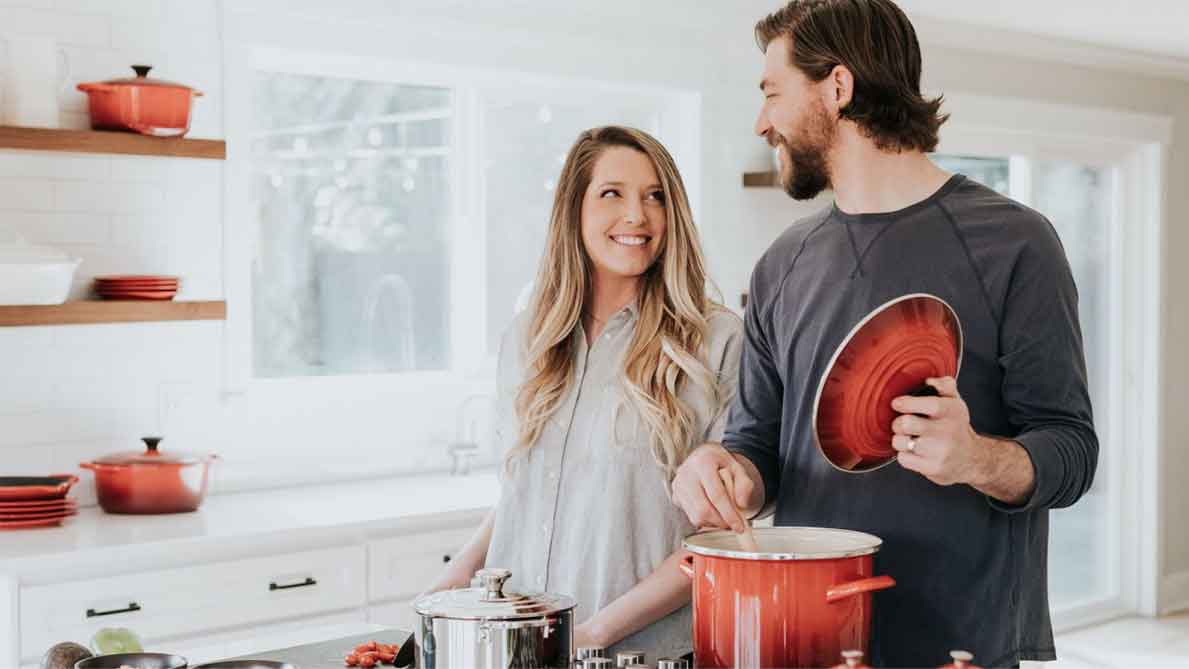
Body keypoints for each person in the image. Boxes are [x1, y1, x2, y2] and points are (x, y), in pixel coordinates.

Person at [670, 1, 1098, 667]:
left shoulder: (1015, 243)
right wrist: (722, 472)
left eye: (772, 94)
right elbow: (756, 449)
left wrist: (973, 458)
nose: (762, 123)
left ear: (836, 88)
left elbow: (1071, 451)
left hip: (958, 645)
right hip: (806, 637)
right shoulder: (781, 263)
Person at [426, 126, 743, 658]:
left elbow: (720, 539)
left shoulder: (715, 342)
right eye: (612, 193)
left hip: (646, 655)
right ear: (574, 210)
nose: (637, 216)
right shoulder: (529, 337)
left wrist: (589, 635)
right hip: (522, 649)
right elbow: (527, 493)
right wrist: (452, 583)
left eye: (655, 197)